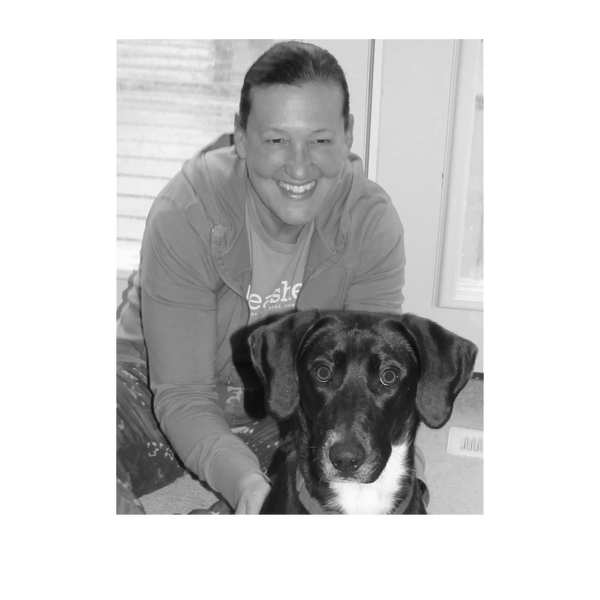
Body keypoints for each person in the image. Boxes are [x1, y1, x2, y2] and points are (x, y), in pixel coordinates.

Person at [113, 40, 427, 518]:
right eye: (276, 140)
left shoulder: (371, 222)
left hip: (287, 401)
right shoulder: (187, 211)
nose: (299, 167)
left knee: (390, 470)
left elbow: (366, 383)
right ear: (240, 136)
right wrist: (244, 484)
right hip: (153, 381)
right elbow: (182, 393)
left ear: (348, 136)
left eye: (320, 141)